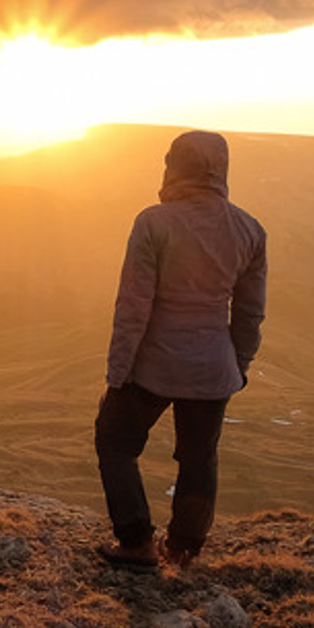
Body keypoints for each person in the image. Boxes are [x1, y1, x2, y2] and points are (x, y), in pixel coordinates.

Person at [94, 129, 266, 572]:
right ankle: (184, 549)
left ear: (175, 167)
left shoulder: (153, 222)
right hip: (214, 369)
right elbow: (249, 312)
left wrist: (118, 373)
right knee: (199, 456)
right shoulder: (249, 229)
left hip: (153, 365)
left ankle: (136, 542)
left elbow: (133, 306)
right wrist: (239, 365)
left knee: (115, 441)